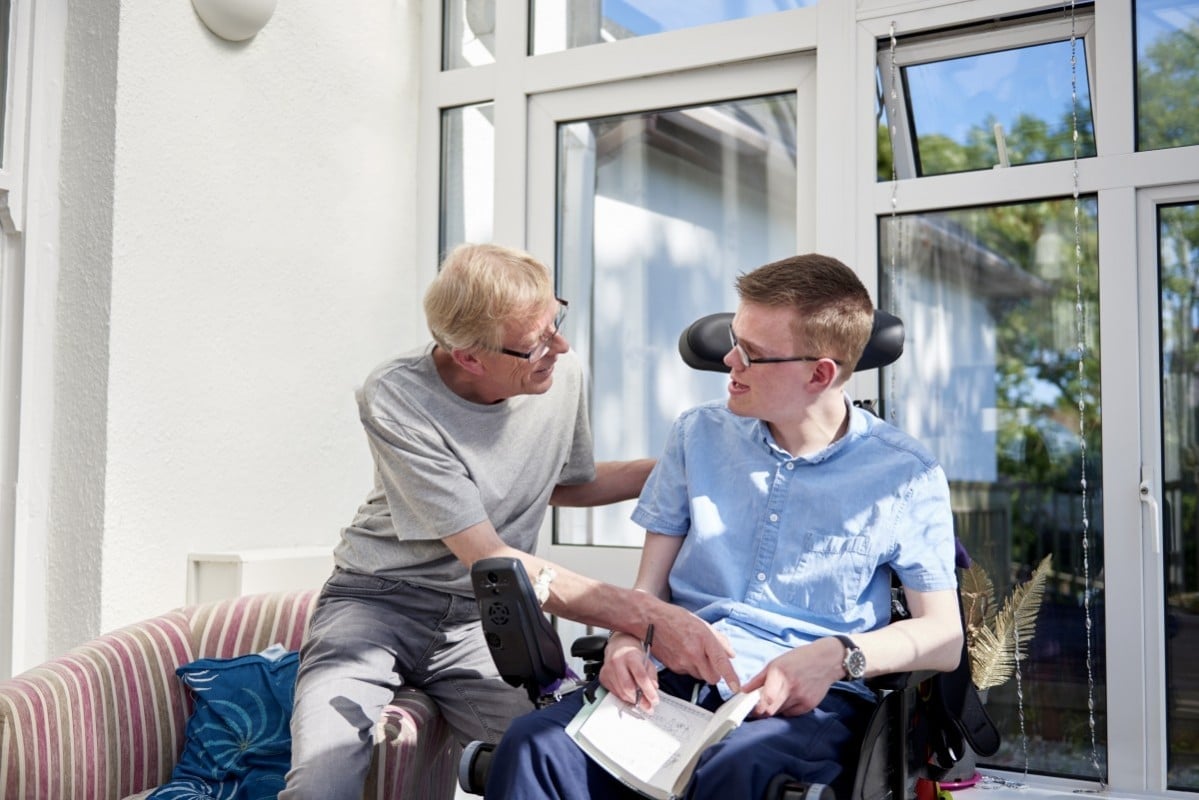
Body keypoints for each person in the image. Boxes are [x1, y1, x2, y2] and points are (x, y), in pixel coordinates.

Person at [485, 253, 964, 800]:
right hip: (671, 683)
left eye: (752, 355)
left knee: (733, 774)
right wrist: (624, 641)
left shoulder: (905, 473)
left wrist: (837, 655)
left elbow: (943, 638)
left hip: (805, 702)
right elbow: (649, 589)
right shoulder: (697, 435)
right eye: (733, 341)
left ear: (820, 373)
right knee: (533, 747)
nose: (729, 361)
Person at [280, 243, 739, 800]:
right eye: (538, 342)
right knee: (320, 781)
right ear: (470, 357)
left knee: (567, 763)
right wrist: (647, 616)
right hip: (379, 604)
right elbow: (487, 555)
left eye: (556, 321)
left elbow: (564, 484)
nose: (561, 346)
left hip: (484, 620)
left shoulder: (559, 375)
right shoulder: (396, 396)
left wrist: (691, 464)